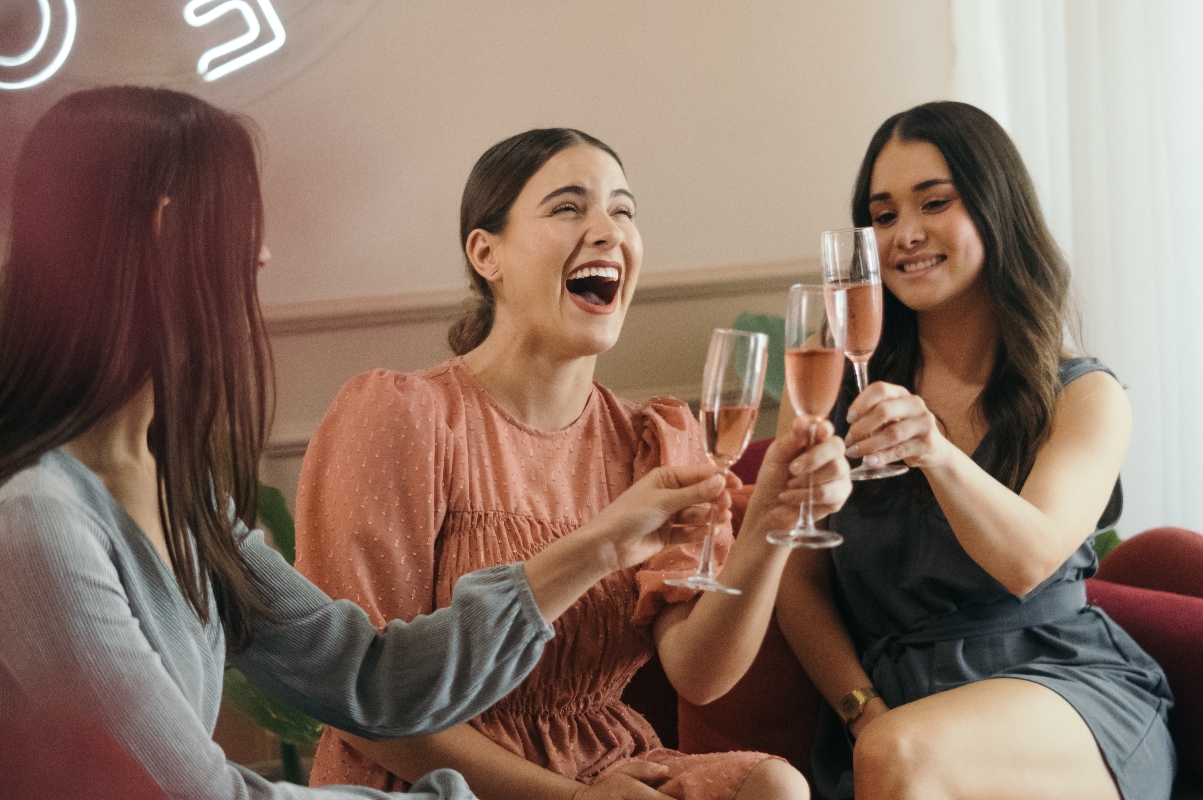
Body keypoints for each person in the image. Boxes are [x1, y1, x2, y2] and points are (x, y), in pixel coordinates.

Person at [0, 87, 730, 800]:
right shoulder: (38, 519)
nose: (260, 258)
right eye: (240, 223)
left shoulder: (180, 495)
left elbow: (372, 680)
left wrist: (603, 543)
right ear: (165, 230)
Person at [294, 128, 852, 800]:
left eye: (623, 210)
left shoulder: (654, 437)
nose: (607, 230)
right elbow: (363, 700)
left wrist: (766, 524)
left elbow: (700, 672)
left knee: (774, 787)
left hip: (606, 768)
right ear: (486, 252)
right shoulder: (402, 416)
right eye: (567, 207)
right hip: (436, 779)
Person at [775, 101, 1175, 800]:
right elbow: (798, 578)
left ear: (996, 208)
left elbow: (1028, 558)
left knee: (901, 754)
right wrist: (861, 709)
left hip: (1062, 689)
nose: (906, 233)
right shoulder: (834, 384)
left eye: (934, 202)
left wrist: (933, 448)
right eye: (884, 214)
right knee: (896, 751)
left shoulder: (1085, 396)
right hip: (895, 709)